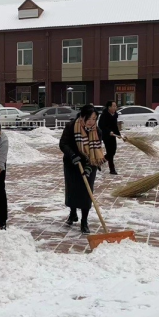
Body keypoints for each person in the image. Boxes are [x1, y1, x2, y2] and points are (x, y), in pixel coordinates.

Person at [59, 104, 106, 234]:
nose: (92, 122)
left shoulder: (97, 132)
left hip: (90, 162)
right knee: (73, 189)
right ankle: (73, 213)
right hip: (72, 163)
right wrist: (73, 155)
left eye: (94, 119)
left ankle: (84, 221)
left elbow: (95, 152)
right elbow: (63, 144)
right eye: (90, 119)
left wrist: (89, 169)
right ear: (82, 117)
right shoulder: (71, 127)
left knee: (86, 191)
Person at [97, 100, 124, 175]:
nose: (115, 107)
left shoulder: (114, 115)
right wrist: (108, 131)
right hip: (106, 136)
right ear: (109, 107)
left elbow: (115, 126)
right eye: (114, 106)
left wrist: (118, 134)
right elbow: (101, 126)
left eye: (116, 106)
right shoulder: (104, 115)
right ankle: (112, 169)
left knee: (113, 151)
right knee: (110, 153)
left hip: (113, 135)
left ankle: (99, 162)